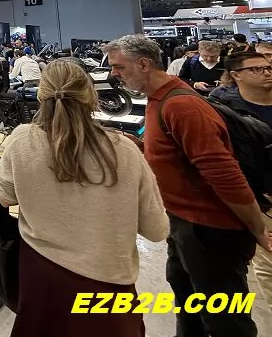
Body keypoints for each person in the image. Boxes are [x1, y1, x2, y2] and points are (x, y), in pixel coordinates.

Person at [103, 34, 272, 337]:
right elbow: (176, 153)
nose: (114, 74)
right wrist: (138, 146)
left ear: (144, 64)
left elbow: (224, 174)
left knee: (224, 318)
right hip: (184, 223)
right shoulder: (160, 98)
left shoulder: (181, 105)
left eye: (119, 67)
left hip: (209, 230)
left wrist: (257, 226)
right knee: (187, 300)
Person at [0, 60, 168, 337]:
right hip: (108, 284)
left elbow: (5, 199)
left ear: (40, 96)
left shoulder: (21, 142)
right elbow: (157, 229)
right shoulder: (124, 150)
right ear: (90, 95)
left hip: (40, 277)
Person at [209, 49, 272, 309]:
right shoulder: (224, 109)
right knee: (267, 261)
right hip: (260, 197)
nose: (267, 72)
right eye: (257, 69)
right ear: (236, 75)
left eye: (269, 67)